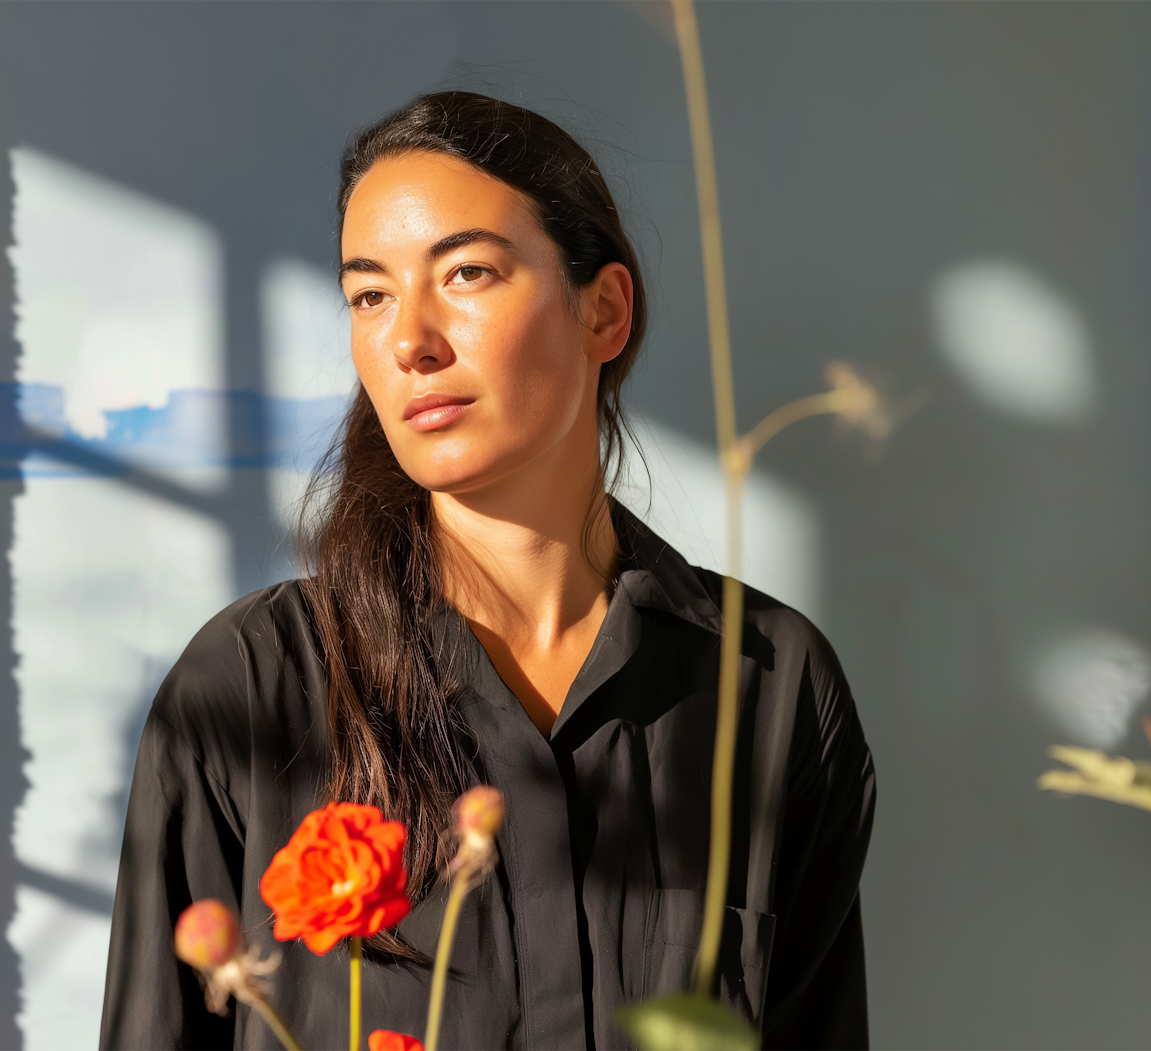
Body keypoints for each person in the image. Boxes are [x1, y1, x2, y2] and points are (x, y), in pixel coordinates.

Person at [99, 91, 875, 1051]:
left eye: (466, 272)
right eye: (370, 294)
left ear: (605, 311)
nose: (409, 340)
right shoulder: (247, 687)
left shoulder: (769, 682)